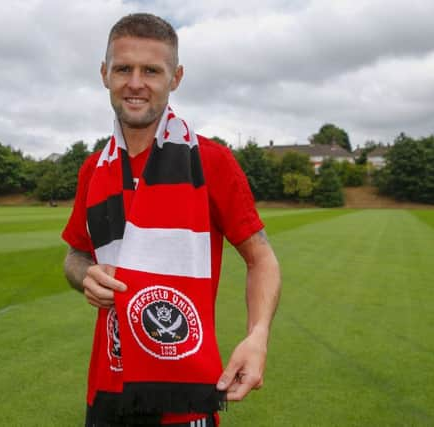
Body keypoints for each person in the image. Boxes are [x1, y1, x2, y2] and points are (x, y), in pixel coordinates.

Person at [62, 13, 281, 427]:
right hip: (108, 390)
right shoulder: (94, 169)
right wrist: (85, 274)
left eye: (152, 70)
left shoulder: (211, 161)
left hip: (185, 396)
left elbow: (262, 258)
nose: (135, 82)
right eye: (123, 68)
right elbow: (75, 255)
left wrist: (258, 338)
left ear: (175, 77)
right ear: (104, 73)